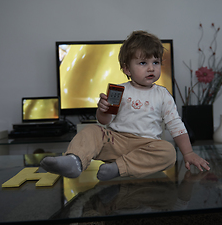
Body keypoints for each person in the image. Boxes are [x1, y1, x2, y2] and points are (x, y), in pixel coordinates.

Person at [41, 30, 210, 181]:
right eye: (143, 63)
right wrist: (103, 110)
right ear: (127, 69)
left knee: (168, 152)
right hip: (116, 141)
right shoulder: (120, 90)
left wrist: (188, 153)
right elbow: (105, 121)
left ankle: (117, 168)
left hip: (146, 146)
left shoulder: (163, 95)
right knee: (91, 131)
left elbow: (175, 125)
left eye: (156, 62)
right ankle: (74, 161)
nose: (151, 68)